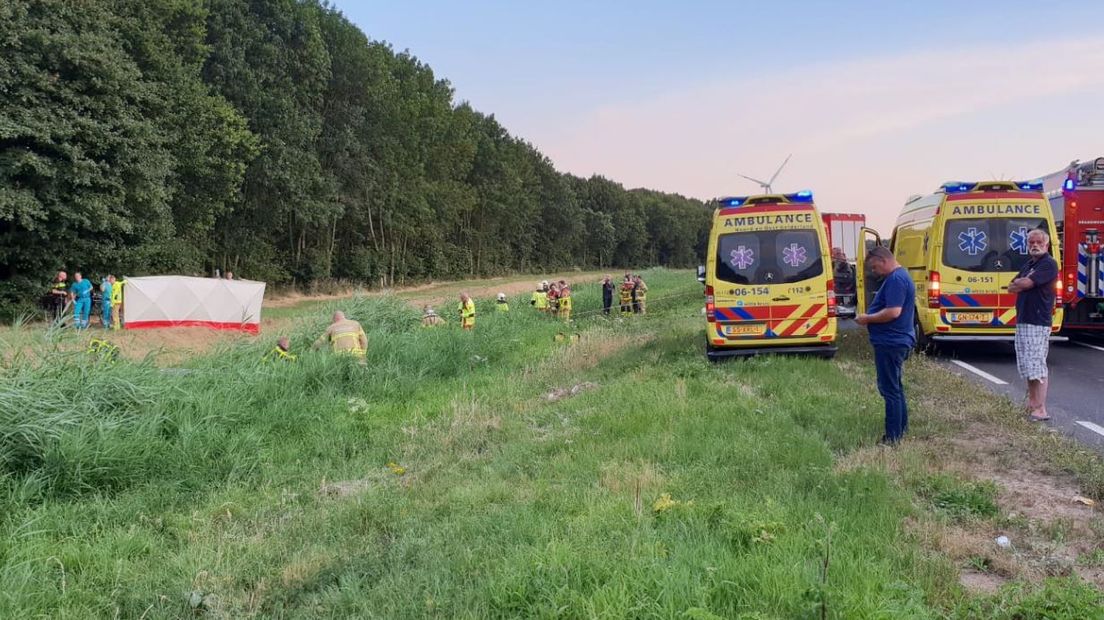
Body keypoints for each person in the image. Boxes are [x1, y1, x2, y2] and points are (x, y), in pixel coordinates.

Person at [855, 246, 916, 446]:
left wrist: (867, 318)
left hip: (891, 341)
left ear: (883, 260)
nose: (874, 272)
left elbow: (893, 312)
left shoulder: (896, 280)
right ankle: (901, 428)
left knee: (889, 390)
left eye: (874, 267)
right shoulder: (900, 276)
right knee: (895, 387)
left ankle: (892, 438)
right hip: (896, 340)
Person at [1008, 229, 1059, 421]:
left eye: (1038, 242)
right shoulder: (1029, 264)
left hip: (1037, 321)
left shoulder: (1048, 264)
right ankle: (1032, 404)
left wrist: (1022, 282)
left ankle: (1041, 409)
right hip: (1024, 319)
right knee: (1027, 365)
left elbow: (1026, 284)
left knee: (1037, 364)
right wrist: (1020, 282)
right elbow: (1011, 286)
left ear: (1046, 245)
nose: (1035, 245)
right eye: (1031, 242)